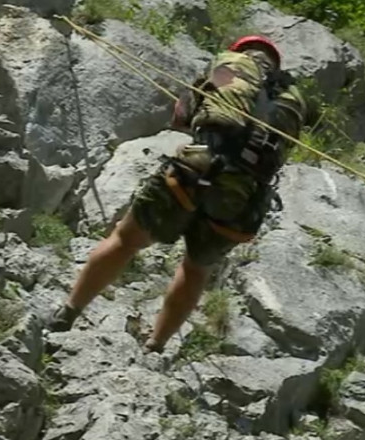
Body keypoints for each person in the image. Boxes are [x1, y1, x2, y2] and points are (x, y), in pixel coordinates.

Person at [46, 35, 309, 354]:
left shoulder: (230, 64)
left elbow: (182, 115)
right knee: (196, 269)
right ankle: (155, 346)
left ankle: (68, 313)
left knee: (126, 239)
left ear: (241, 51)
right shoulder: (293, 100)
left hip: (199, 165)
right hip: (244, 196)